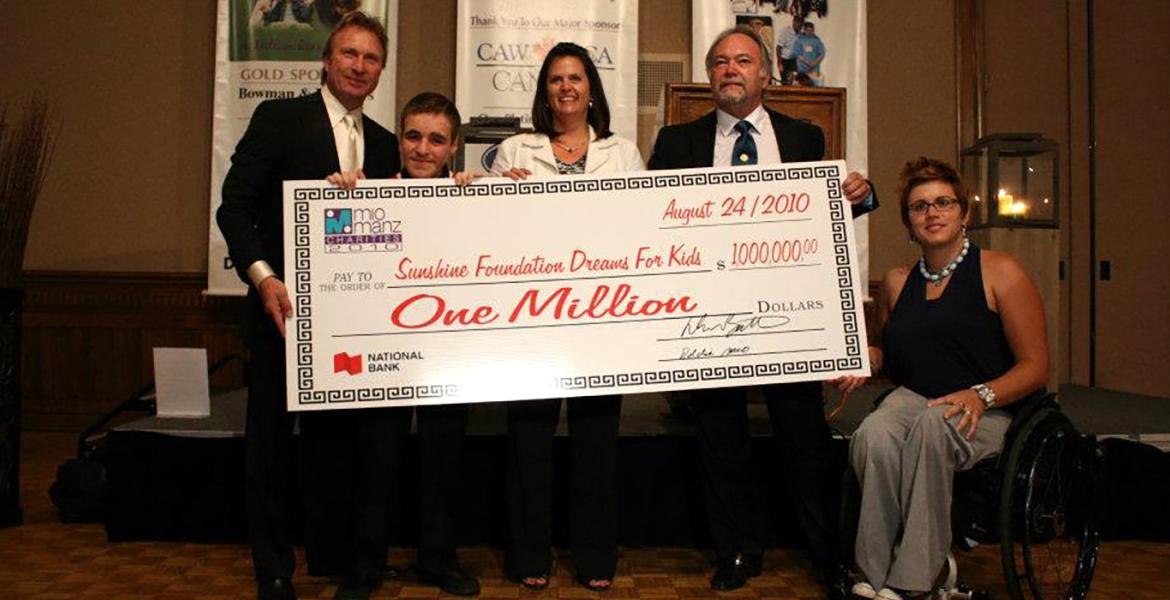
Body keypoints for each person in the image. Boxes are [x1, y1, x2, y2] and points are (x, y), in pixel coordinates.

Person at [647, 26, 876, 594]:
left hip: (786, 317)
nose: (731, 69)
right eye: (720, 61)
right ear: (709, 74)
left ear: (766, 75)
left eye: (743, 61)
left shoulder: (805, 138)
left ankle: (827, 556)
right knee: (721, 443)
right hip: (709, 319)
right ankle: (736, 553)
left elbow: (830, 212)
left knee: (805, 443)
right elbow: (650, 222)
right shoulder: (677, 143)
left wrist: (860, 193)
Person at [216, 12, 406, 600]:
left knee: (337, 449)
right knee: (269, 450)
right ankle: (273, 569)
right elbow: (233, 207)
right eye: (348, 54)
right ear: (326, 60)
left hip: (352, 328)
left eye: (370, 58)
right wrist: (264, 277)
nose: (358, 66)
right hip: (281, 316)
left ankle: (333, 556)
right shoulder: (279, 119)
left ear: (380, 71)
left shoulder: (382, 143)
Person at [832, 158, 1048, 600]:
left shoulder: (1000, 271)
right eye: (919, 207)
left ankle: (915, 579)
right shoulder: (897, 281)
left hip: (989, 406)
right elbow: (891, 353)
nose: (932, 213)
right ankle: (870, 577)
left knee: (934, 425)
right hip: (914, 398)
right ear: (909, 224)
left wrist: (979, 394)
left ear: (963, 213)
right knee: (873, 433)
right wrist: (864, 359)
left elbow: (1036, 366)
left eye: (943, 203)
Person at [489, 41, 644, 592]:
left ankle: (595, 555)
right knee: (528, 437)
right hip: (531, 316)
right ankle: (530, 553)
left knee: (596, 440)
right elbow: (484, 228)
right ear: (544, 91)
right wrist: (491, 193)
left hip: (600, 315)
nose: (566, 88)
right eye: (556, 79)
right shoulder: (514, 151)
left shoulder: (621, 153)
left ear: (591, 89)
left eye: (576, 78)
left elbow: (639, 229)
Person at [325, 91, 480, 597]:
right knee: (375, 461)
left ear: (453, 147)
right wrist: (338, 194)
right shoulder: (364, 194)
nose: (422, 148)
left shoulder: (468, 198)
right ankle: (365, 566)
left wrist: (487, 197)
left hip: (446, 357)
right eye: (413, 136)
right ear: (399, 139)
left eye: (436, 139)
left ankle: (440, 561)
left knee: (444, 462)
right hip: (380, 357)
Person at [775, 14, 804, 84]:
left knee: (794, 81)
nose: (799, 26)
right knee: (785, 82)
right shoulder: (785, 32)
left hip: (793, 60)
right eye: (798, 23)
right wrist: (779, 63)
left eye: (801, 24)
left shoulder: (801, 34)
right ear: (793, 22)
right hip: (784, 60)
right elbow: (778, 48)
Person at [795, 20, 825, 86]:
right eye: (808, 30)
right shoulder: (799, 40)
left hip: (814, 69)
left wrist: (814, 63)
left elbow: (822, 54)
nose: (809, 32)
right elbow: (798, 54)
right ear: (804, 30)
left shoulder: (817, 40)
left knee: (815, 88)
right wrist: (808, 63)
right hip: (802, 70)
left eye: (811, 30)